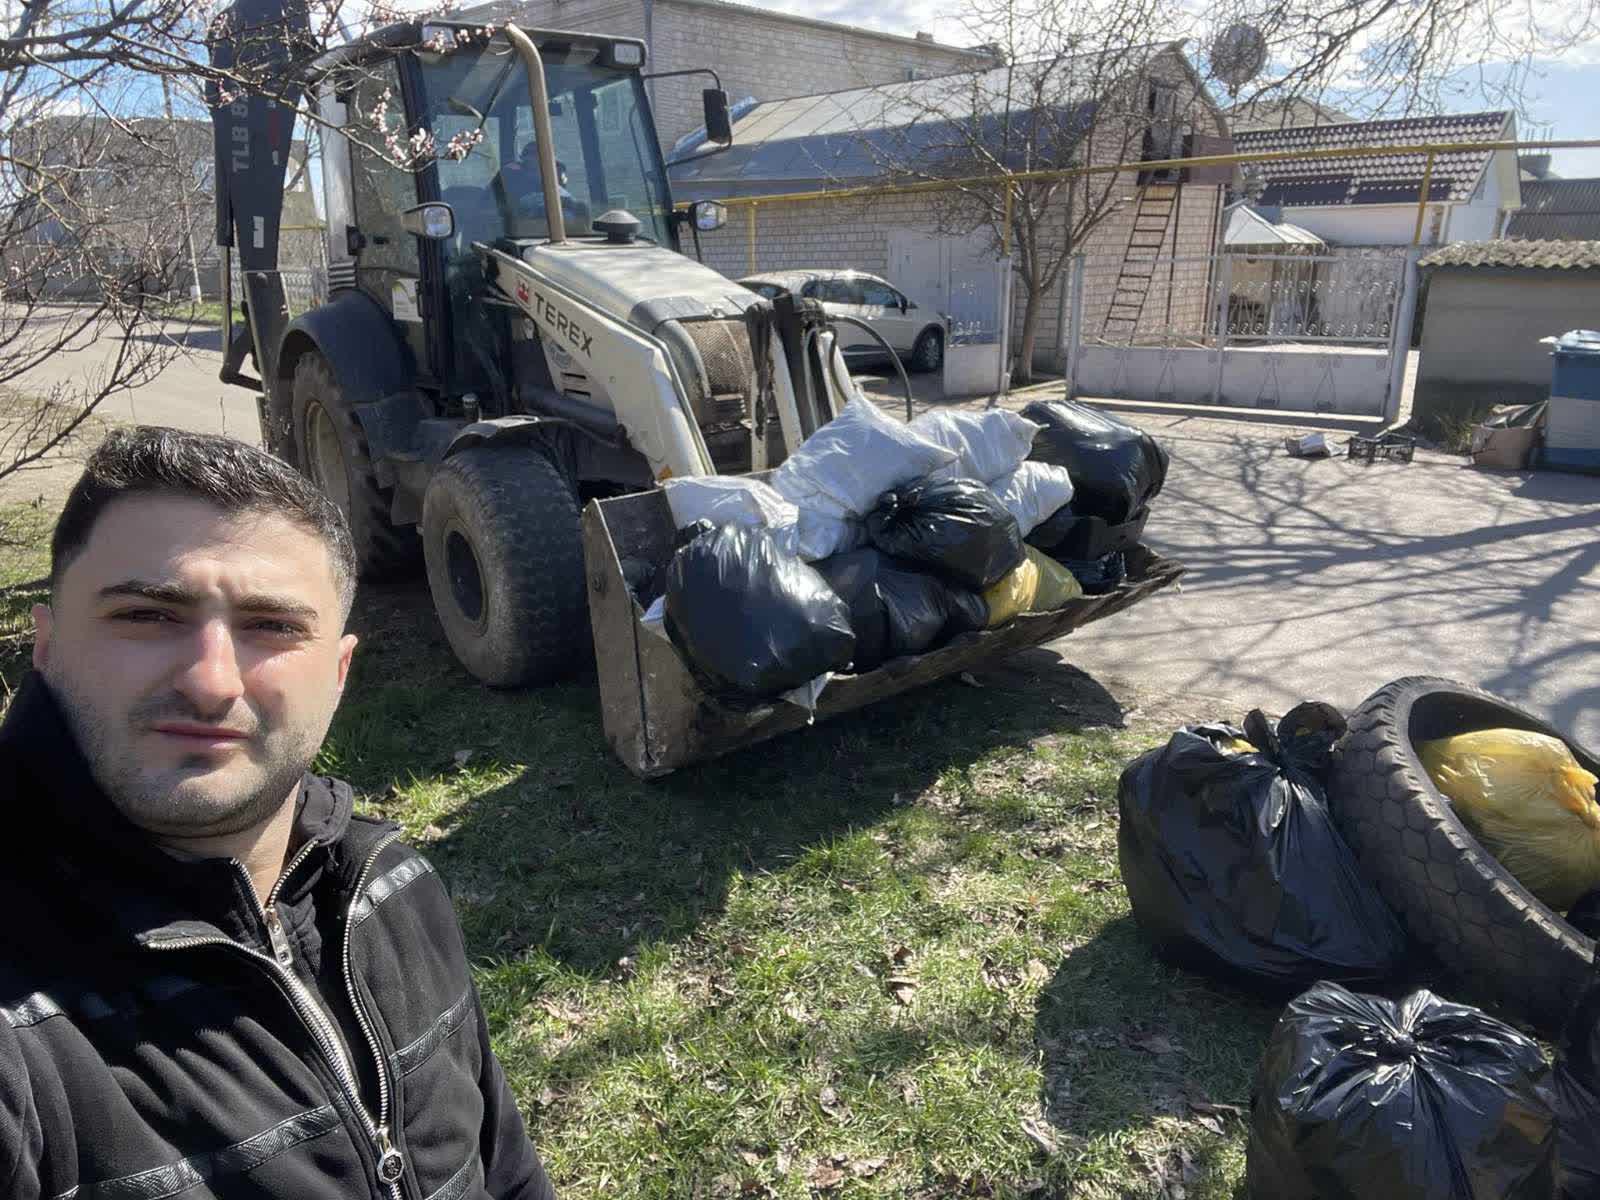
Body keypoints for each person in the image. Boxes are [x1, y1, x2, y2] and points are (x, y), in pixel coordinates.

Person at [0, 426, 555, 1199]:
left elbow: (507, 1173)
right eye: (147, 615)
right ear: (47, 645)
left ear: (339, 672)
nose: (211, 683)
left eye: (273, 626)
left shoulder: (392, 887)